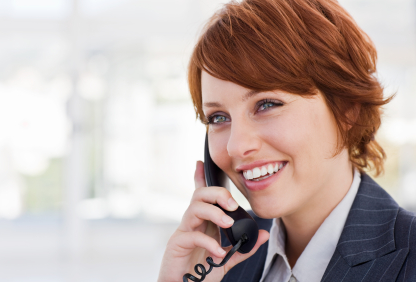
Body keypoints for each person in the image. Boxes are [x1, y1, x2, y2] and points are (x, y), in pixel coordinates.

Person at [158, 0, 416, 281]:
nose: (236, 146)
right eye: (219, 118)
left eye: (267, 104)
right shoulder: (221, 262)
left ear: (346, 109)